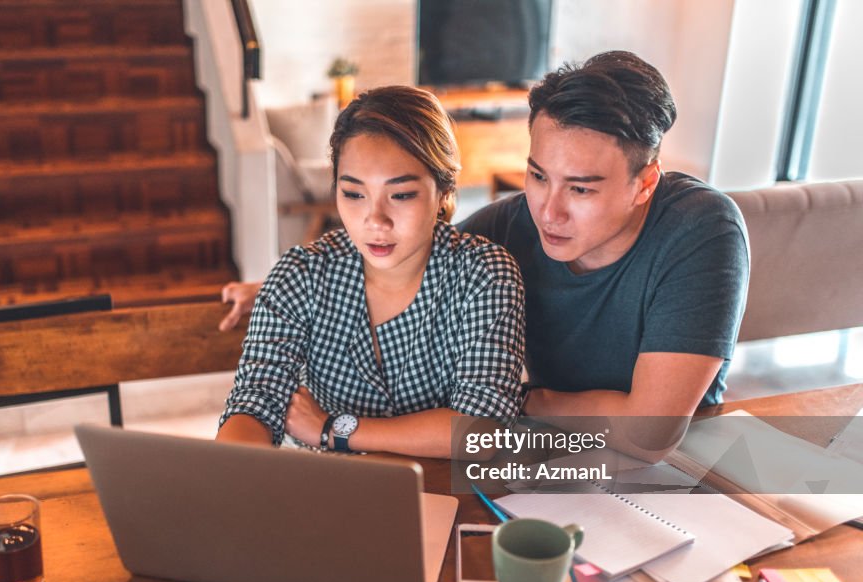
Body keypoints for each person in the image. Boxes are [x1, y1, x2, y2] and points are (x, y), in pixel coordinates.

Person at [220, 52, 749, 434]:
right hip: (550, 453)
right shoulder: (509, 228)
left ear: (645, 183)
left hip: (677, 470)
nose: (549, 210)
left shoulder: (700, 228)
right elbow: (408, 247)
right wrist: (275, 290)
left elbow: (651, 431)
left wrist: (522, 400)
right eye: (538, 175)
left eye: (581, 188)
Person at [216, 86, 526, 458]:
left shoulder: (484, 275)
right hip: (331, 492)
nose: (374, 220)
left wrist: (334, 429)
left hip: (446, 496)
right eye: (353, 194)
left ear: (444, 190)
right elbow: (255, 401)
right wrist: (231, 475)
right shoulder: (300, 275)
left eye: (401, 195)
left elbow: (483, 431)